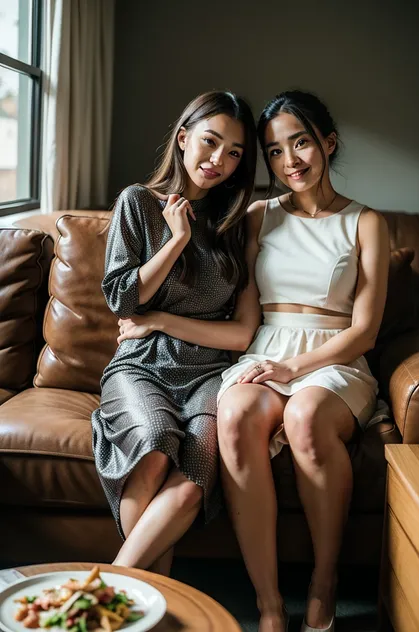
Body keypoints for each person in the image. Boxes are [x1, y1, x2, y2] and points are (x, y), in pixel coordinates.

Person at [216, 90, 390, 632]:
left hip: (336, 357)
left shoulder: (366, 223)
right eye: (273, 151)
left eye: (301, 143)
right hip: (268, 347)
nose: (289, 161)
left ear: (327, 144)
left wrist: (298, 368)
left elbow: (365, 330)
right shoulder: (257, 217)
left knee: (306, 416)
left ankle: (324, 581)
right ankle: (268, 603)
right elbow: (246, 314)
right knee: (238, 413)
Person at [91, 90, 261, 575]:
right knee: (154, 440)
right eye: (210, 142)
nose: (218, 160)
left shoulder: (235, 224)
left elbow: (239, 333)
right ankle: (151, 606)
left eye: (234, 153)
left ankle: (115, 589)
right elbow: (122, 298)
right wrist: (177, 239)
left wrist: (162, 320)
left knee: (194, 476)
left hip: (210, 375)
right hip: (141, 365)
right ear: (183, 137)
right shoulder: (138, 203)